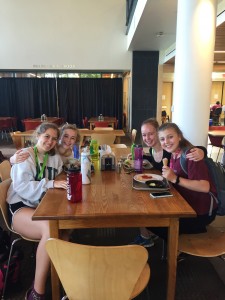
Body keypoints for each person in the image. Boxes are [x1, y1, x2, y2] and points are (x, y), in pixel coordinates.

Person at [7, 122, 67, 300]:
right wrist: (50, 183)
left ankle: (64, 280)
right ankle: (36, 292)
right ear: (37, 136)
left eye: (54, 138)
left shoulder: (54, 158)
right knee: (50, 230)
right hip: (21, 207)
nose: (50, 141)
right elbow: (22, 187)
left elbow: (60, 174)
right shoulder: (25, 156)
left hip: (42, 206)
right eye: (46, 136)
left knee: (66, 230)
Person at [131, 118, 206, 247]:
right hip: (180, 198)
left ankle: (158, 240)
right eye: (144, 135)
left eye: (151, 134)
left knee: (142, 215)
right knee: (142, 202)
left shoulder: (181, 153)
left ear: (179, 137)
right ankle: (151, 234)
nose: (147, 138)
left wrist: (202, 151)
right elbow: (159, 163)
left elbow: (204, 185)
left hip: (194, 210)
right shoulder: (164, 153)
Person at [148, 122, 217, 241]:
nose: (166, 142)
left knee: (152, 222)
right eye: (162, 139)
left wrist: (175, 178)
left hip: (200, 213)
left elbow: (205, 187)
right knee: (152, 214)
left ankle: (178, 247)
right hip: (185, 206)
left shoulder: (191, 156)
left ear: (179, 136)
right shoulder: (174, 155)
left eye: (170, 137)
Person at [10, 123, 80, 166]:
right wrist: (12, 160)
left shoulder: (73, 151)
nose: (68, 140)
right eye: (66, 136)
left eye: (72, 138)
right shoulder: (50, 148)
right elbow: (36, 152)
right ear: (59, 137)